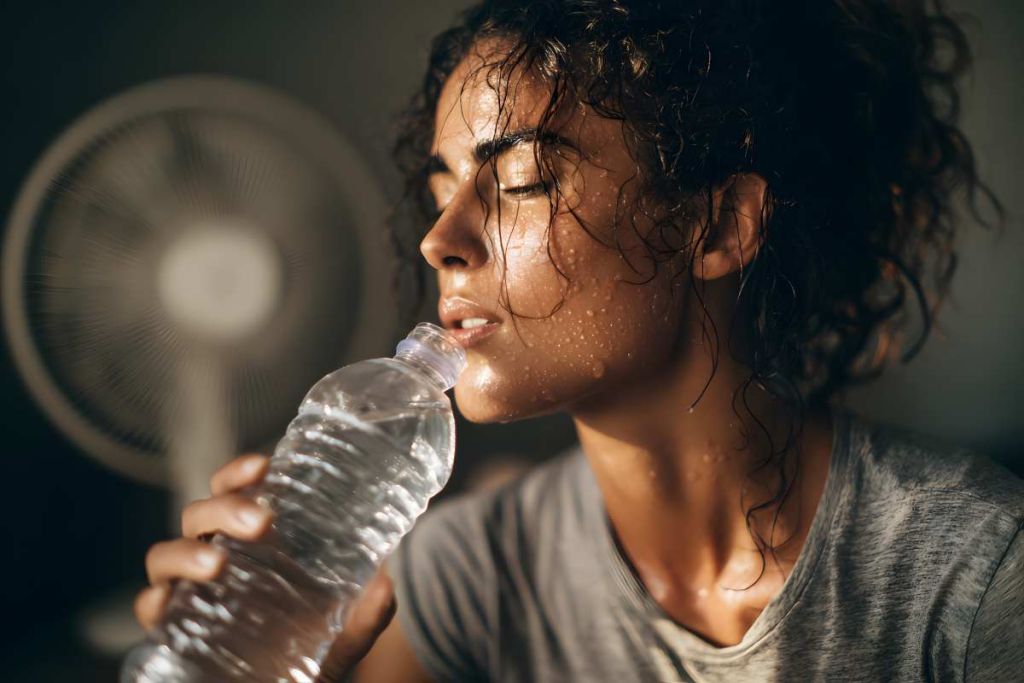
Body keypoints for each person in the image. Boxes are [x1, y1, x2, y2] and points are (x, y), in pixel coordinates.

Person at [133, 1, 1024, 680]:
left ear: (714, 227)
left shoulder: (971, 572)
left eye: (519, 179)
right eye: (439, 186)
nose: (439, 238)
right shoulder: (456, 583)